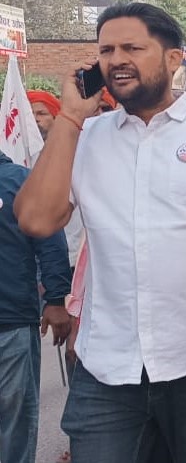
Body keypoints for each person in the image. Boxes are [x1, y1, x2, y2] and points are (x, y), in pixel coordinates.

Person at [14, 2, 186, 462]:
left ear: (173, 58)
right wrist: (71, 118)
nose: (116, 60)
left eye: (132, 48)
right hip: (106, 369)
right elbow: (37, 220)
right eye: (106, 51)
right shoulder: (85, 137)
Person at [0, 152, 72, 463]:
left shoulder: (20, 180)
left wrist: (55, 300)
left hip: (11, 323)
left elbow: (49, 240)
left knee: (14, 423)